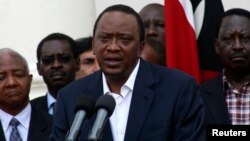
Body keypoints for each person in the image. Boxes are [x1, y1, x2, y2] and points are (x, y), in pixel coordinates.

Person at [49, 4, 205, 141]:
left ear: (141, 47)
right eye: (104, 38)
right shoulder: (70, 97)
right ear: (94, 45)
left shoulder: (177, 88)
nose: (113, 47)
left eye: (124, 39)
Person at [199, 8, 250, 125]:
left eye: (246, 38)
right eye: (228, 39)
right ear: (217, 46)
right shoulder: (198, 96)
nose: (237, 46)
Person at [0, 48, 52, 141]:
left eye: (19, 75)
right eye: (1, 78)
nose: (11, 83)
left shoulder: (56, 125)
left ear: (30, 80)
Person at [31, 33, 78, 115]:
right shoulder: (30, 111)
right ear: (39, 68)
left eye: (64, 59)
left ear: (77, 63)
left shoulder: (95, 106)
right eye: (47, 61)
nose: (56, 65)